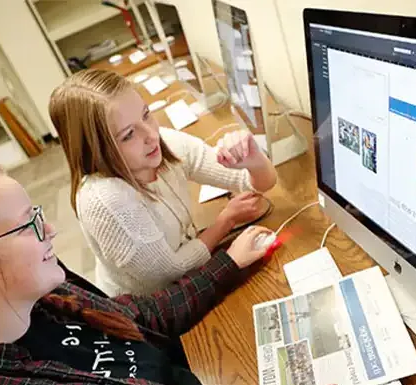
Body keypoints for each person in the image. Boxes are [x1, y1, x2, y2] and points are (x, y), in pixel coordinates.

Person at [0, 161, 362, 385]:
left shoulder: (39, 295)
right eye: (27, 225)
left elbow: (137, 318)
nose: (50, 229)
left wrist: (229, 265)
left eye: (38, 213)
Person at [49, 69, 278, 297]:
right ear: (95, 150)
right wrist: (225, 221)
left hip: (189, 276)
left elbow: (253, 182)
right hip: (156, 309)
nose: (151, 134)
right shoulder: (105, 199)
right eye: (129, 134)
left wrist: (254, 160)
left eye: (146, 114)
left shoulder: (161, 143)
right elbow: (169, 275)